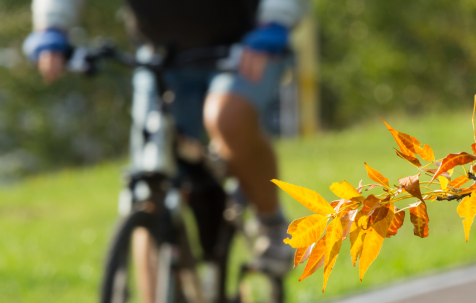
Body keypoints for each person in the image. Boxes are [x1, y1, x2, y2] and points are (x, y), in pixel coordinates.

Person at [22, 0, 305, 275]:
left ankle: (270, 224)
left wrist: (276, 19)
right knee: (148, 191)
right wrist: (52, 27)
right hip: (161, 55)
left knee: (226, 118)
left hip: (245, 47)